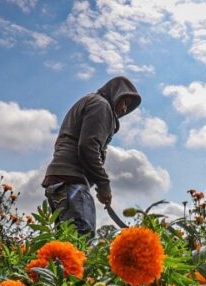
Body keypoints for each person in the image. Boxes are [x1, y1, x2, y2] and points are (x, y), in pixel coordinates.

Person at [41, 76, 141, 235]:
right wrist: (103, 183)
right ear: (115, 93)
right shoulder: (101, 105)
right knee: (82, 236)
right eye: (124, 102)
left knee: (67, 241)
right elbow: (88, 146)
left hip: (61, 180)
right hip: (71, 180)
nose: (124, 109)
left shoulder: (91, 102)